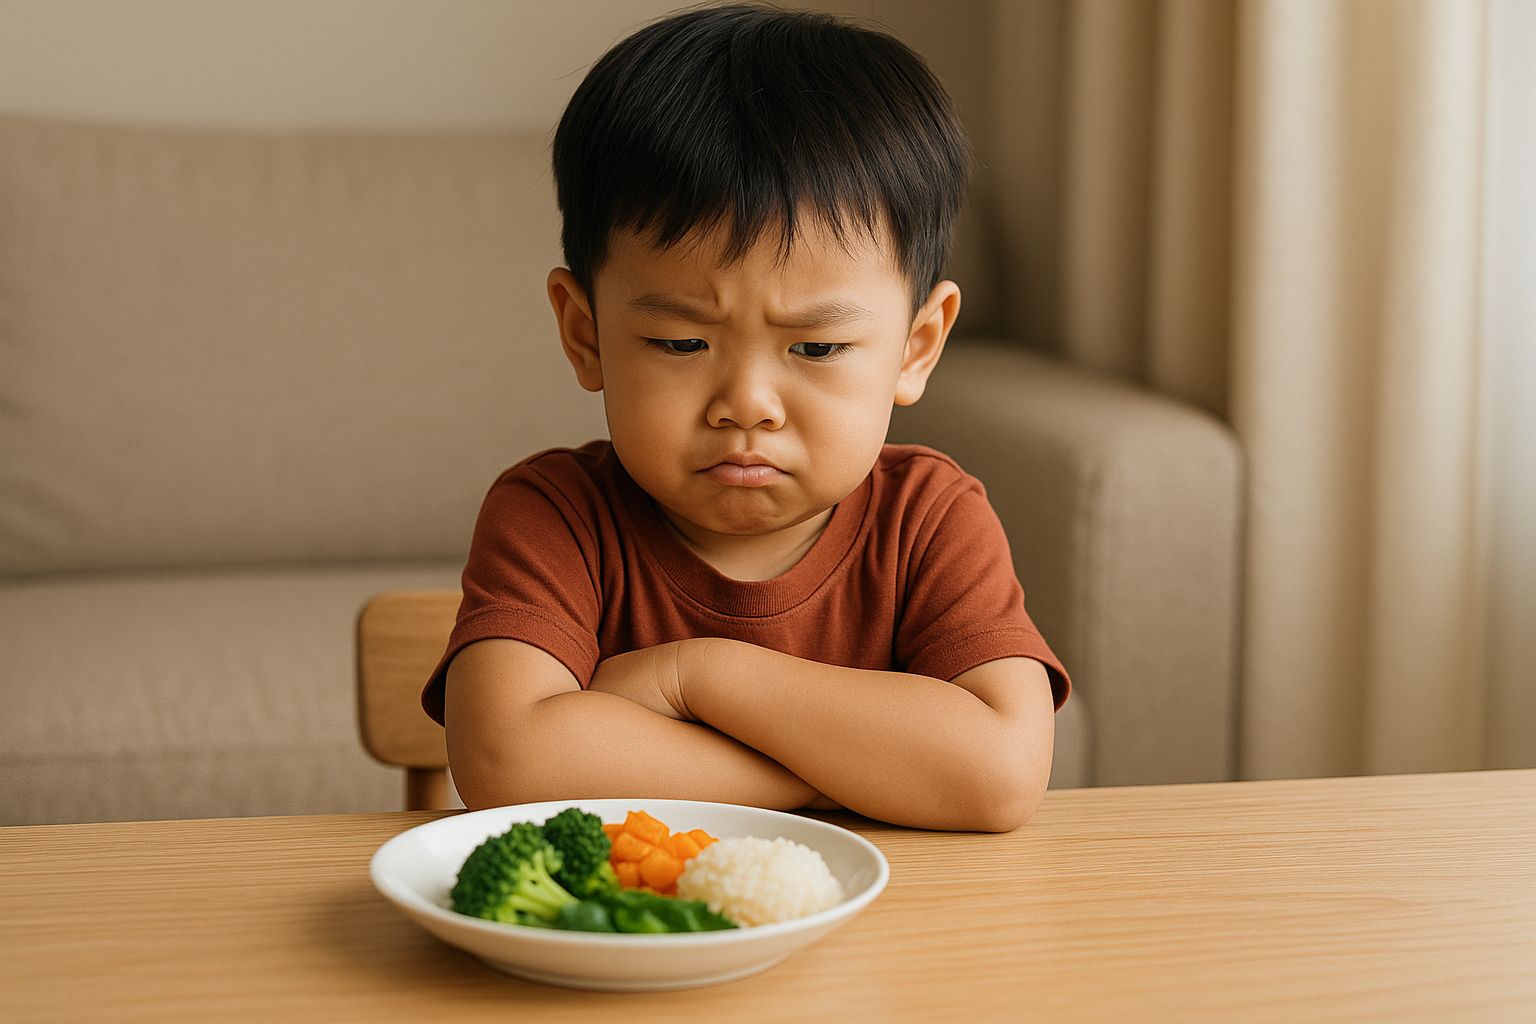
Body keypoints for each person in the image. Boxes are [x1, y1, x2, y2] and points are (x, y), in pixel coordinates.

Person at [422, 4, 1069, 832]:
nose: (748, 406)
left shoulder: (932, 518)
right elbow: (509, 761)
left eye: (818, 349)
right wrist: (847, 775)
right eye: (681, 341)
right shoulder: (551, 515)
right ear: (585, 334)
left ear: (916, 346)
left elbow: (1000, 775)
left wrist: (693, 678)